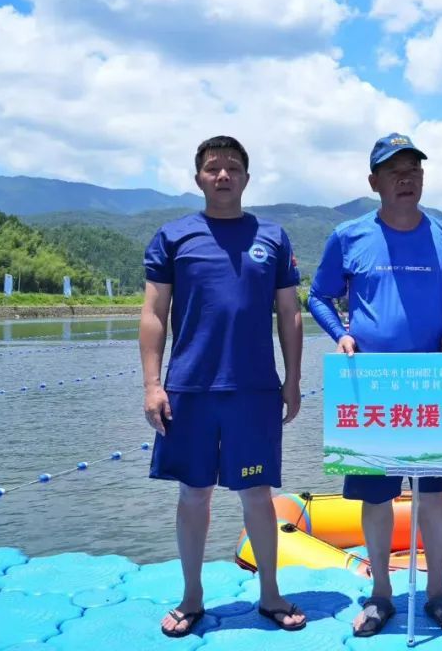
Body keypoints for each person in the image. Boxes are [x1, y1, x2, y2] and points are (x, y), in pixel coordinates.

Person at [141, 135, 306, 638]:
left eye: (233, 167)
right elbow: (154, 313)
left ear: (247, 178)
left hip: (253, 390)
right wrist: (152, 385)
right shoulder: (173, 237)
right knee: (194, 495)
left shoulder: (272, 237)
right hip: (189, 389)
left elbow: (289, 312)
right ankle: (191, 597)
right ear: (198, 178)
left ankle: (270, 594)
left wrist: (293, 379)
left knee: (257, 494)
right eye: (213, 167)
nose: (223, 175)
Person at [308, 132, 442, 638]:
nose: (406, 179)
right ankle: (380, 593)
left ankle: (438, 591)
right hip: (371, 386)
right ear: (373, 181)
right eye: (395, 171)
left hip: (431, 385)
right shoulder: (348, 236)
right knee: (376, 498)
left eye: (414, 170)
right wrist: (341, 334)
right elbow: (318, 296)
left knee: (434, 495)